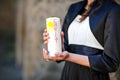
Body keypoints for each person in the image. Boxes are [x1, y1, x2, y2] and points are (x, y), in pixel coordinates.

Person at [43, 0, 120, 80]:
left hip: (93, 76)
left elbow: (110, 62)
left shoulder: (114, 10)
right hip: (68, 75)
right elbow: (66, 49)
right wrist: (56, 47)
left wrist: (69, 56)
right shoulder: (74, 7)